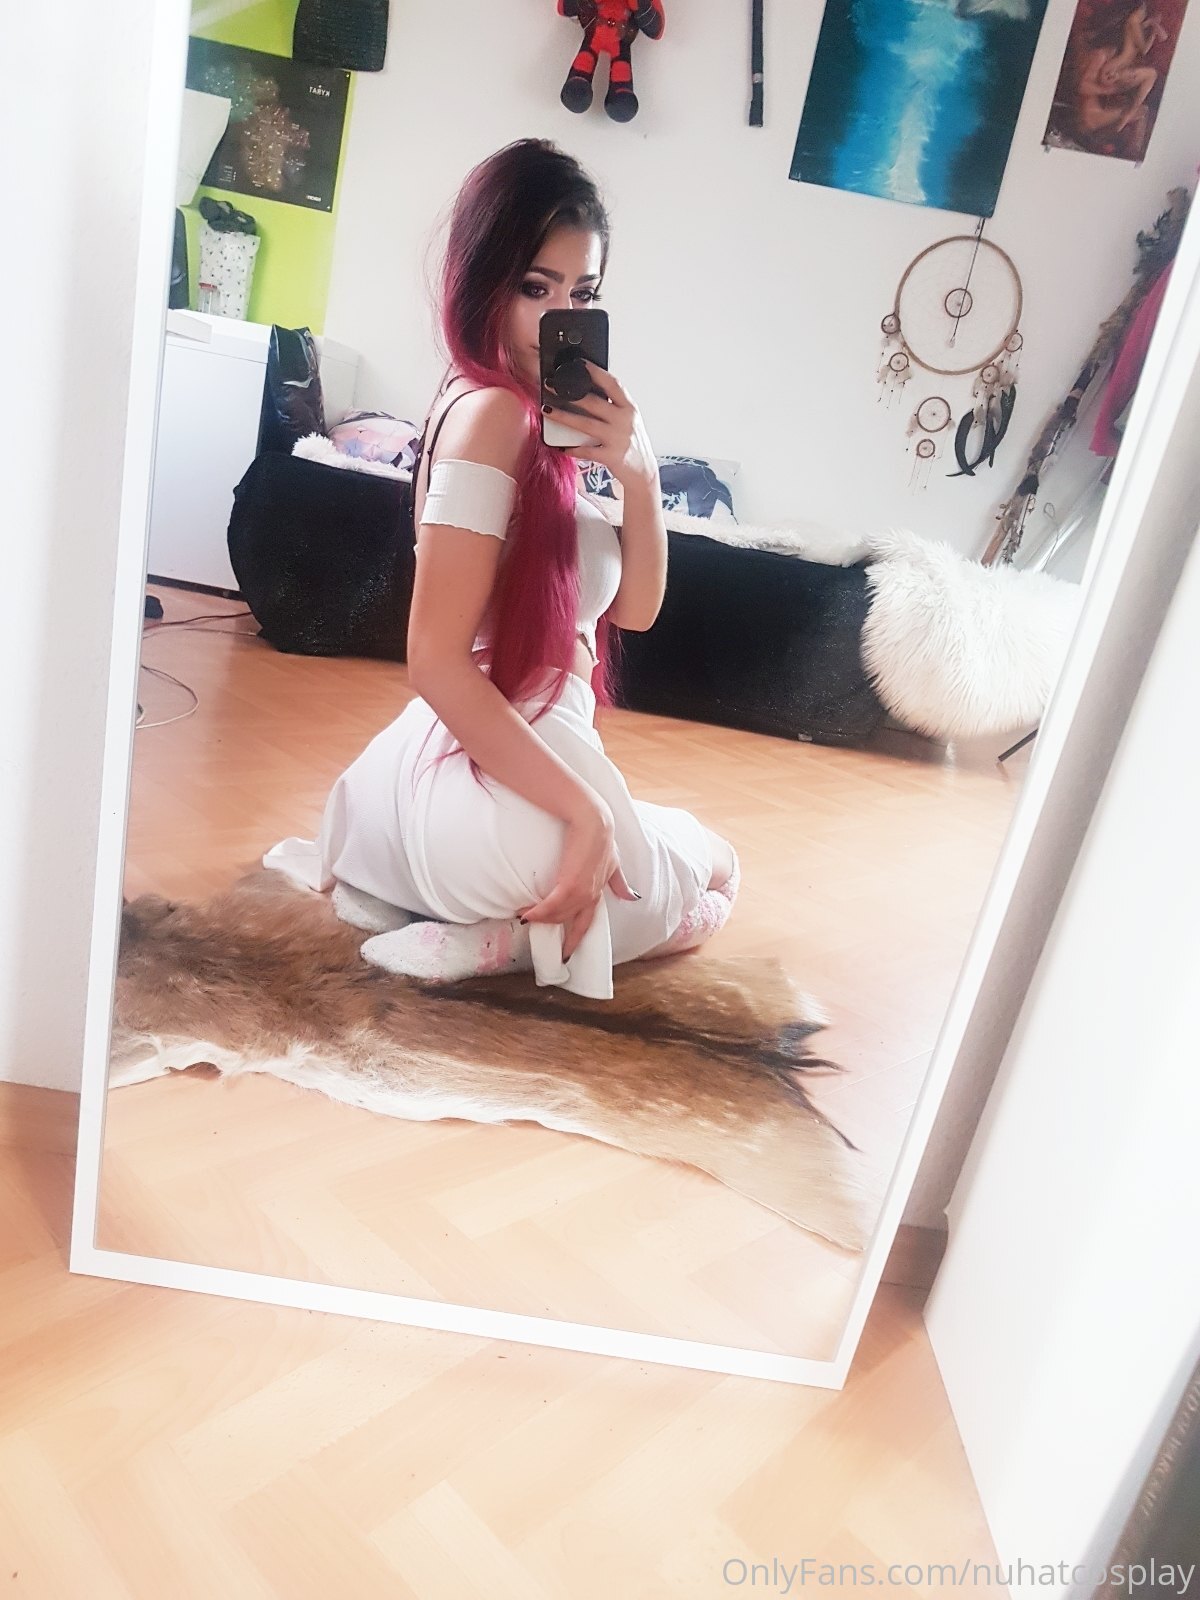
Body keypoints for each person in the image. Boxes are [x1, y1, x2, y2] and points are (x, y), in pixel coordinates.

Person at [265, 139, 737, 999]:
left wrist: (638, 476)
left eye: (582, 293)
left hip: (491, 757)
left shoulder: (535, 417)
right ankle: (507, 939)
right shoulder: (492, 416)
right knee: (717, 870)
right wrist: (585, 812)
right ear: (484, 280)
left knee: (642, 861)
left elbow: (635, 612)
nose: (558, 317)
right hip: (478, 751)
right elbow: (433, 661)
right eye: (535, 287)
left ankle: (441, 909)